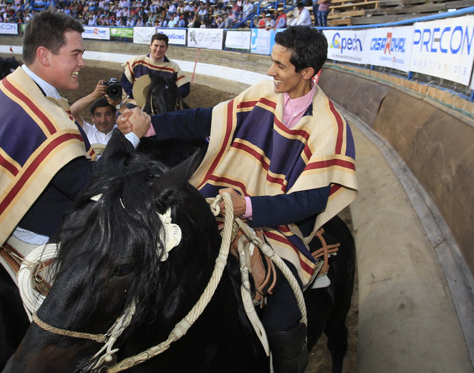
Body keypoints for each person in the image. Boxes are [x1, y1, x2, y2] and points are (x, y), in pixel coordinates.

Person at [118, 26, 358, 373]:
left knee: (283, 314)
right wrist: (151, 125)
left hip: (278, 227)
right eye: (272, 61)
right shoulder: (262, 91)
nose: (270, 71)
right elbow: (207, 119)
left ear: (307, 73)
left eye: (279, 65)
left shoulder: (331, 127)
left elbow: (311, 201)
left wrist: (250, 207)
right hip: (219, 202)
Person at [0, 10, 148, 268]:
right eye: (75, 54)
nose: (82, 63)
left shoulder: (9, 86)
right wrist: (130, 137)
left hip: (5, 208)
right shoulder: (46, 119)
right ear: (44, 55)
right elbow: (89, 184)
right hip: (36, 230)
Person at [121, 33, 190, 104]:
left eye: (162, 46)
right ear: (150, 46)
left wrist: (169, 98)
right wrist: (134, 93)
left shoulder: (173, 67)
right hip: (136, 102)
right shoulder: (137, 61)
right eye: (156, 45)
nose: (158, 49)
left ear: (166, 48)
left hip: (161, 106)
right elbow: (125, 79)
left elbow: (184, 87)